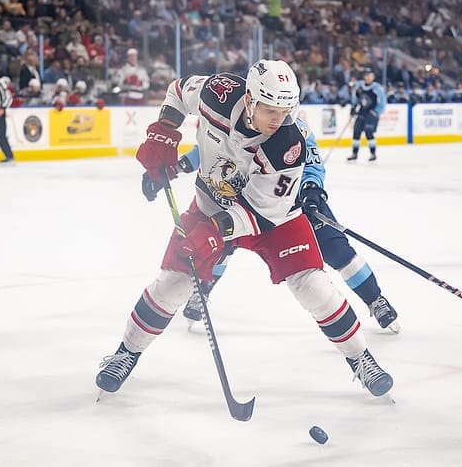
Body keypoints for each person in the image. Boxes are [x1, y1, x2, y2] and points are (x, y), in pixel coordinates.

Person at [96, 60, 394, 399]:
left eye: (285, 110)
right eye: (270, 110)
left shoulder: (288, 143)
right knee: (173, 283)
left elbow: (263, 212)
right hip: (210, 203)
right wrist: (165, 129)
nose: (279, 119)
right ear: (249, 99)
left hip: (273, 219)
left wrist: (212, 232)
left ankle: (361, 358)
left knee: (313, 285)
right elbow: (178, 92)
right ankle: (127, 352)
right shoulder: (218, 92)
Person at [148, 122, 400, 333]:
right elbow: (206, 151)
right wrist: (177, 167)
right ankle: (201, 292)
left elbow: (312, 164)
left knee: (338, 252)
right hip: (244, 203)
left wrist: (311, 191)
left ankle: (375, 299)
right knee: (218, 245)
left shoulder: (297, 130)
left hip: (293, 206)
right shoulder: (237, 124)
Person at [347, 69, 386, 162]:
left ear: (373, 77)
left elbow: (382, 102)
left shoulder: (377, 88)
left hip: (371, 113)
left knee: (369, 132)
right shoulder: (359, 86)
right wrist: (353, 107)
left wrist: (376, 111)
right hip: (361, 112)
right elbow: (355, 97)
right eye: (366, 75)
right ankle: (354, 153)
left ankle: (373, 153)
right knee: (356, 132)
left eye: (370, 75)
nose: (368, 77)